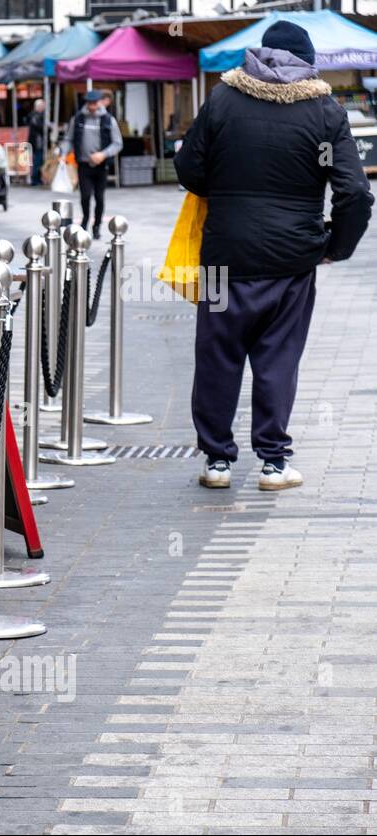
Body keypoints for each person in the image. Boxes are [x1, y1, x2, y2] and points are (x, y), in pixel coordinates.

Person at [175, 21, 372, 492]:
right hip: (291, 262)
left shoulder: (223, 100)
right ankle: (273, 463)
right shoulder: (324, 112)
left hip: (224, 256)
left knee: (217, 356)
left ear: (260, 56)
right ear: (308, 61)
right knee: (277, 358)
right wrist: (333, 247)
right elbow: (355, 194)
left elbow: (188, 168)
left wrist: (223, 188)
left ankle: (217, 462)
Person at [65, 89, 122, 239]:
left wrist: (103, 154)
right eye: (89, 103)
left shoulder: (109, 120)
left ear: (100, 102)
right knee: (84, 196)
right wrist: (62, 152)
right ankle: (84, 222)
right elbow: (69, 139)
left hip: (101, 166)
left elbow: (117, 143)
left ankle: (97, 226)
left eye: (94, 103)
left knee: (99, 197)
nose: (91, 106)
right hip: (83, 165)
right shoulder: (77, 119)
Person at [27, 98, 46, 186]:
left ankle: (37, 178)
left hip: (37, 141)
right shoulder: (35, 116)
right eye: (43, 106)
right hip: (37, 142)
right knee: (37, 161)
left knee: (39, 160)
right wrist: (47, 127)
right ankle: (35, 179)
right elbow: (40, 127)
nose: (44, 107)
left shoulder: (36, 115)